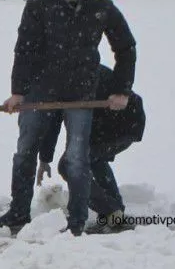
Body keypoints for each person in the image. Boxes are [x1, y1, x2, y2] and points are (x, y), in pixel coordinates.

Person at [0, 0, 137, 236]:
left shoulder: (101, 8)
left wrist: (121, 91)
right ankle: (18, 212)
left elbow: (126, 48)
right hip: (41, 87)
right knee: (24, 151)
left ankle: (77, 222)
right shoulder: (40, 4)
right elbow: (25, 49)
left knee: (77, 157)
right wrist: (18, 92)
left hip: (82, 91)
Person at [35, 64, 145, 233]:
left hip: (120, 122)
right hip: (113, 125)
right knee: (91, 159)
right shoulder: (62, 77)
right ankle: (115, 212)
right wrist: (45, 158)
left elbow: (64, 121)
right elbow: (55, 121)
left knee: (69, 165)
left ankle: (110, 211)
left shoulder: (76, 73)